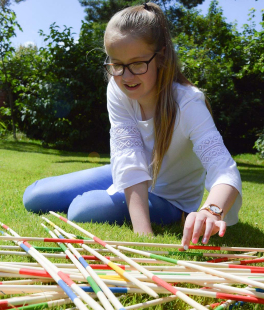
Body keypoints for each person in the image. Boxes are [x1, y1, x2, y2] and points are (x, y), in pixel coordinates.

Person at [23, 2, 242, 247]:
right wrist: (143, 231)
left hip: (169, 198)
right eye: (116, 64)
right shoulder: (117, 89)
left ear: (161, 56)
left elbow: (224, 170)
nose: (126, 77)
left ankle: (175, 215)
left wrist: (211, 211)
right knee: (34, 197)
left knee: (82, 210)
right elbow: (128, 157)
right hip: (128, 172)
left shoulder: (189, 103)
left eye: (138, 63)